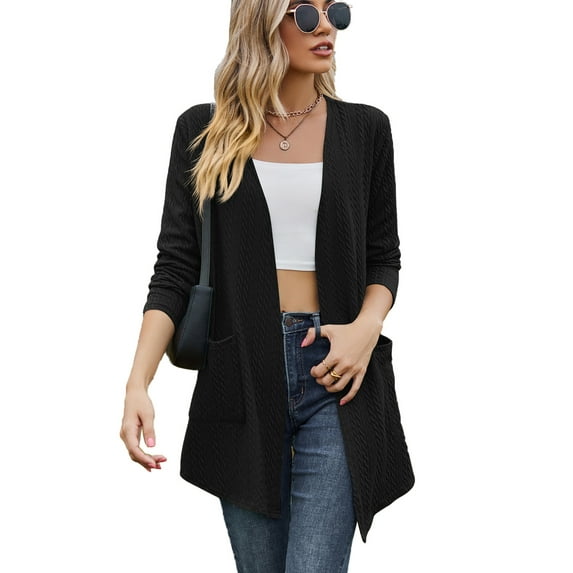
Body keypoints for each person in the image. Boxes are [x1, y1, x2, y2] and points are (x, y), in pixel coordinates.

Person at [120, 1, 415, 571]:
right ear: (261, 22)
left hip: (337, 376)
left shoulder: (366, 130)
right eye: (304, 13)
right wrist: (138, 383)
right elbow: (175, 267)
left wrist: (365, 328)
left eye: (335, 10)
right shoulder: (203, 131)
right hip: (242, 379)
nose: (325, 26)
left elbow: (384, 257)